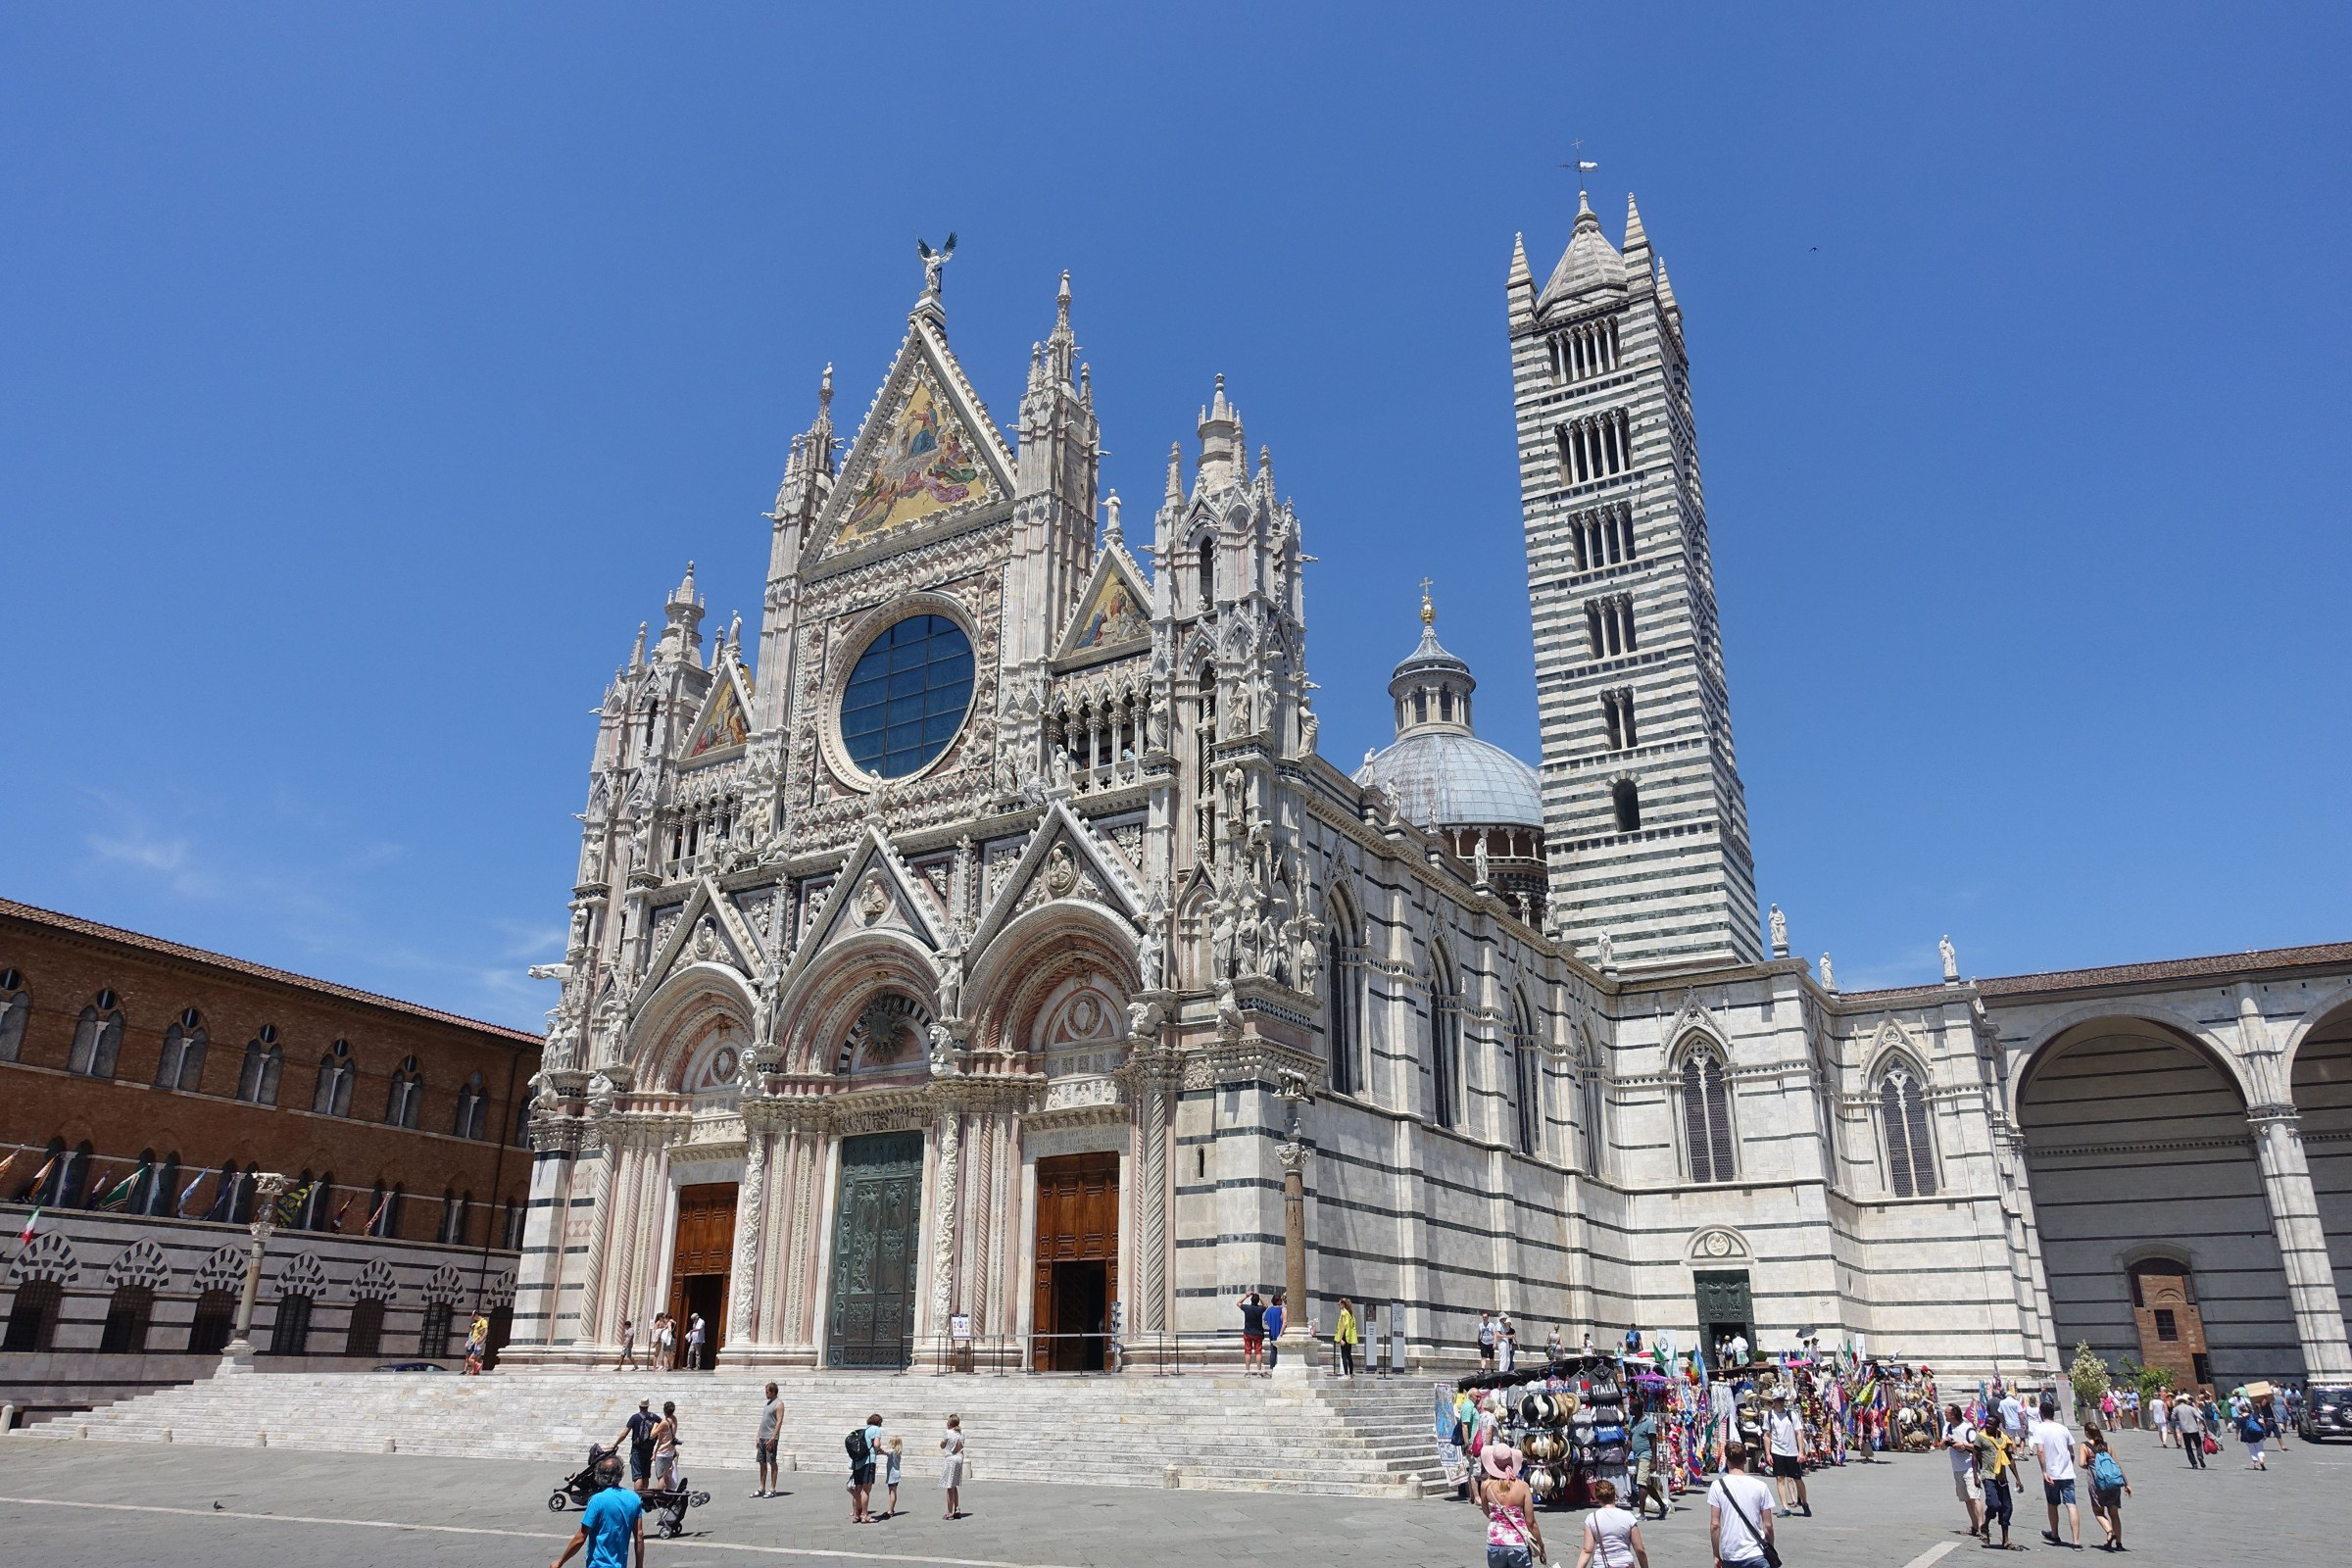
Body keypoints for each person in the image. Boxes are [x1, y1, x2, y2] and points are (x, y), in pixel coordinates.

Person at [551, 1452, 643, 1568]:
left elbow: (580, 1537)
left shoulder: (597, 1501)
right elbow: (639, 1535)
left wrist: (560, 1561)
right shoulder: (634, 1499)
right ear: (620, 1474)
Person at [1477, 1443, 1547, 1568]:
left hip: (1495, 1542)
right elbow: (1531, 1523)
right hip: (1518, 1543)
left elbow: (1487, 1512)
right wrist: (1541, 1546)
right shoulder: (1523, 1487)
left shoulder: (1485, 1486)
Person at [1706, 1445, 1776, 1568]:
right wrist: (1770, 1548)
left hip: (1732, 1554)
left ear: (1727, 1460)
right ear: (1745, 1460)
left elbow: (1715, 1525)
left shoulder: (1717, 1486)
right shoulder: (1761, 1486)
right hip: (1756, 1552)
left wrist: (1716, 1554)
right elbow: (1768, 1526)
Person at [2030, 1397, 2081, 1548]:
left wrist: (2044, 1471)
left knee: (2052, 1504)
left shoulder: (2039, 1428)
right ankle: (2076, 1541)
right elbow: (2071, 1452)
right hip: (2067, 1473)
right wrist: (2068, 1466)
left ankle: (2055, 1533)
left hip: (2051, 1473)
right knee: (2071, 1504)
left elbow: (2040, 1451)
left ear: (2041, 1414)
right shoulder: (2063, 1428)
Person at [1574, 1476, 1646, 1568]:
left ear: (1597, 1497)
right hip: (1625, 1564)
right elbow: (1640, 1549)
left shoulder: (1592, 1518)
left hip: (1601, 1565)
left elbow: (1587, 1550)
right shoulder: (1628, 1516)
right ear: (1615, 1495)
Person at [2081, 1422, 2131, 1550]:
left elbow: (2081, 1463)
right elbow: (2118, 1466)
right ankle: (2119, 1544)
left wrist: (2090, 1466)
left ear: (2086, 1433)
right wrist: (2126, 1484)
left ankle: (2109, 1531)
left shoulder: (2085, 1446)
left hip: (2097, 1483)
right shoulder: (2107, 1446)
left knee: (2098, 1511)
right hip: (2113, 1483)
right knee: (2114, 1514)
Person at [1764, 1390, 1811, 1517]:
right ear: (1773, 1402)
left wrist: (1801, 1452)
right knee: (1780, 1478)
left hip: (1792, 1452)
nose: (1781, 1403)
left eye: (1782, 1401)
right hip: (1777, 1451)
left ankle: (1805, 1503)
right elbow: (1767, 1435)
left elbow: (1799, 1433)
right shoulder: (1769, 1416)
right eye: (1778, 1401)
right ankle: (1785, 1507)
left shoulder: (1791, 1415)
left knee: (1797, 1478)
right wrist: (1768, 1453)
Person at [1976, 1415, 2019, 1549]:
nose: (1987, 1426)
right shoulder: (1981, 1437)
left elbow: (2010, 1459)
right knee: (1994, 1504)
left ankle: (2006, 1540)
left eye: (1991, 1424)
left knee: (2007, 1508)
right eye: (1986, 1423)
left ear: (1997, 1426)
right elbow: (1975, 1456)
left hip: (2001, 1477)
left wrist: (2018, 1478)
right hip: (1988, 1475)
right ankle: (1985, 1525)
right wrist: (1975, 1475)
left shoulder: (2003, 1439)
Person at [1942, 1401, 1984, 1541]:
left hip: (1970, 1467)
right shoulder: (1947, 1428)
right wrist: (1944, 1443)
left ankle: (1982, 1526)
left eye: (1947, 1413)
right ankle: (1974, 1526)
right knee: (1966, 1498)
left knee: (1974, 1497)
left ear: (1953, 1414)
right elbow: (1942, 1447)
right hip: (1957, 1467)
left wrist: (1963, 1445)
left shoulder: (1967, 1428)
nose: (1945, 1415)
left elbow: (1977, 1446)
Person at [1629, 1405, 1667, 1520]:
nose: (1629, 1410)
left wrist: (1654, 1461)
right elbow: (1630, 1439)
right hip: (1637, 1456)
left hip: (1646, 1455)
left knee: (1641, 1483)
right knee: (1648, 1485)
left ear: (1638, 1410)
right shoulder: (1632, 1421)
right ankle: (1663, 1506)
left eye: (1632, 1408)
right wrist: (1626, 1456)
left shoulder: (1649, 1423)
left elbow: (1653, 1442)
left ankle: (1641, 1513)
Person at [616, 1398, 659, 1491]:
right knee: (646, 1475)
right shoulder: (654, 1417)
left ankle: (637, 1497)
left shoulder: (635, 1418)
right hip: (649, 1449)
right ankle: (645, 1498)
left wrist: (616, 1443)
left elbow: (624, 1433)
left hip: (637, 1450)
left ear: (639, 1406)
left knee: (638, 1475)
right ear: (648, 1406)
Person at [752, 1381, 782, 1498]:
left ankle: (773, 1488)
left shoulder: (778, 1404)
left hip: (770, 1438)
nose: (766, 1394)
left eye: (768, 1392)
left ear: (774, 1392)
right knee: (762, 1462)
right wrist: (758, 1435)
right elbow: (763, 1420)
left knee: (772, 1462)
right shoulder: (767, 1404)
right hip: (763, 1437)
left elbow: (779, 1422)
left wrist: (773, 1437)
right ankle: (761, 1488)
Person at [649, 1400, 680, 1493]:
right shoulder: (674, 1419)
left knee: (660, 1477)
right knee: (666, 1475)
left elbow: (652, 1435)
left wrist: (655, 1424)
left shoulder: (664, 1423)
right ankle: (669, 1492)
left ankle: (660, 1496)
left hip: (662, 1452)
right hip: (670, 1451)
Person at [940, 1413, 965, 1520]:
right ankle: (957, 1508)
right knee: (954, 1484)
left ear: (950, 1423)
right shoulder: (962, 1432)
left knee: (949, 1486)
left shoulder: (948, 1433)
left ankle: (949, 1512)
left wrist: (942, 1442)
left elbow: (942, 1445)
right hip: (959, 1458)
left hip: (950, 1459)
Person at [2173, 1392, 2205, 1468]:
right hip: (2194, 1428)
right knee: (2198, 1444)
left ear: (2178, 1402)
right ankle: (2200, 1455)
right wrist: (2205, 1427)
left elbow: (2173, 1418)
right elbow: (2200, 1417)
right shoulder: (2191, 1408)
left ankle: (2194, 1463)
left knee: (2188, 1447)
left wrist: (2178, 1420)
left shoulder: (2176, 1409)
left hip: (2185, 1430)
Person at [1238, 1291, 1266, 1376]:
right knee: (1258, 1352)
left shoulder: (1246, 1308)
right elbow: (1266, 1305)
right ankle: (1259, 1370)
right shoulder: (1260, 1309)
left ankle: (1247, 1371)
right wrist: (1259, 1296)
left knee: (1247, 1352)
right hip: (1258, 1333)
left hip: (1248, 1333)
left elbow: (1238, 1303)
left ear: (1251, 1300)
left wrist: (1246, 1295)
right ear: (1257, 1301)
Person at [2237, 1399, 2269, 1469]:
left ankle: (2255, 1463)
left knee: (2251, 1449)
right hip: (2257, 1433)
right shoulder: (2253, 1415)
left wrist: (2236, 1435)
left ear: (2240, 1410)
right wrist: (2264, 1430)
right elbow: (2262, 1422)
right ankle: (2261, 1459)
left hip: (2246, 1435)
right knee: (2260, 1448)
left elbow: (2238, 1428)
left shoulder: (2239, 1418)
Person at [1335, 1297, 1360, 1377]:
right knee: (1349, 1355)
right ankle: (1351, 1373)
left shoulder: (1344, 1313)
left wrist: (1340, 1338)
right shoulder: (1350, 1314)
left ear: (1343, 1304)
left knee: (1344, 1356)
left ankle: (1346, 1374)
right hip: (1349, 1337)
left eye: (1339, 1304)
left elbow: (1343, 1327)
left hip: (1345, 1336)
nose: (1338, 1305)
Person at [1265, 1292, 1287, 1371]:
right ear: (1278, 1301)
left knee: (1273, 1351)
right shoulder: (1283, 1310)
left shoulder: (1269, 1310)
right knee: (1282, 1351)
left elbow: (1266, 1321)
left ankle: (1272, 1367)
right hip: (1282, 1332)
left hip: (1272, 1332)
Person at [884, 1435, 905, 1517]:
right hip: (896, 1475)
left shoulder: (891, 1452)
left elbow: (883, 1451)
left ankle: (890, 1510)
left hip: (892, 1475)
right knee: (894, 1492)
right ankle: (892, 1508)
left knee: (891, 1493)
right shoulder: (898, 1453)